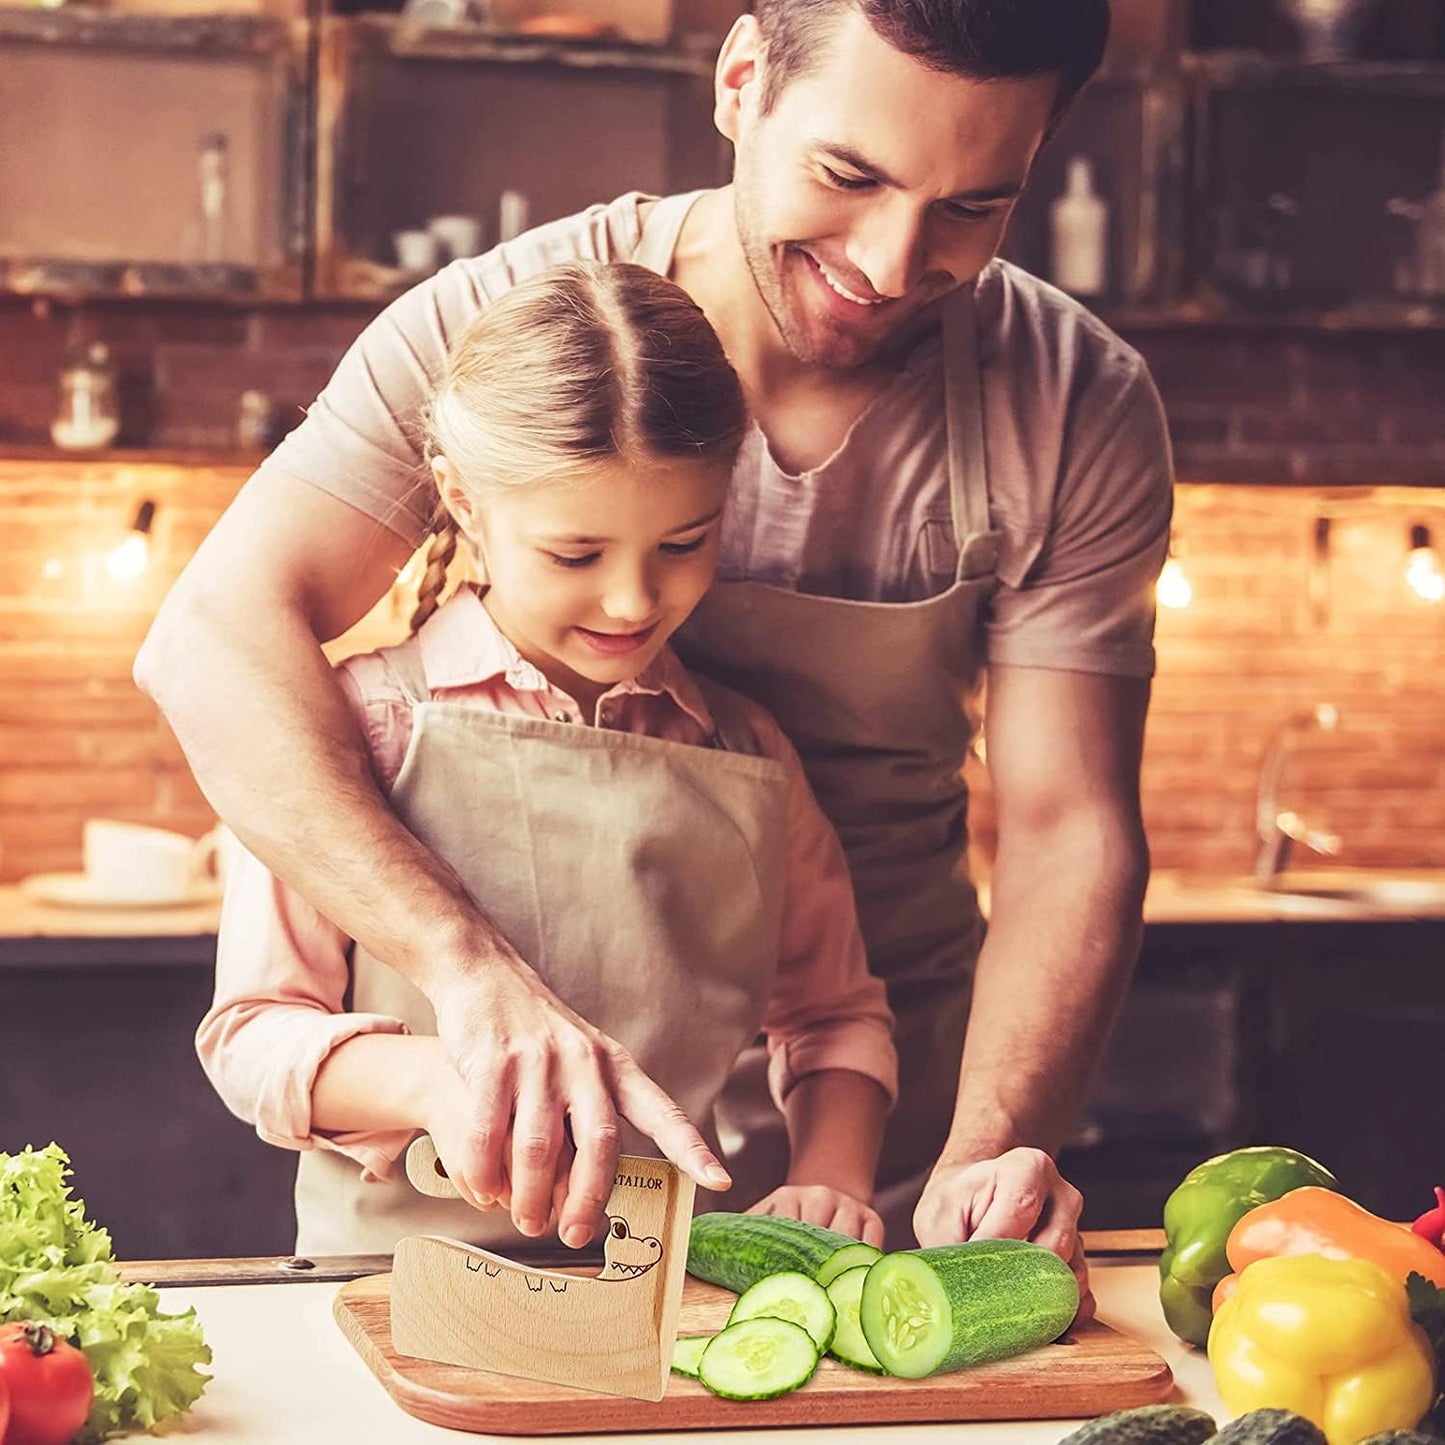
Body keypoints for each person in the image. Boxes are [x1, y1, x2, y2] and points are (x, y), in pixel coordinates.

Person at [139, 0, 1170, 1310]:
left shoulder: (1077, 401)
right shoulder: (510, 331)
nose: (892, 260)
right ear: (742, 82)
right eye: (847, 175)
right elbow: (212, 640)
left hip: (869, 1138)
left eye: (974, 206)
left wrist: (985, 1148)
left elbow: (1068, 824)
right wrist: (474, 996)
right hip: (446, 1203)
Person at [194, 260, 899, 1256]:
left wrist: (830, 1174)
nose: (631, 601)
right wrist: (436, 1081)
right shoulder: (355, 729)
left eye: (682, 543)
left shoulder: (746, 754)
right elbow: (252, 1033)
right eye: (575, 554)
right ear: (464, 502)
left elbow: (834, 1015)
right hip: (383, 1296)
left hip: (665, 1306)